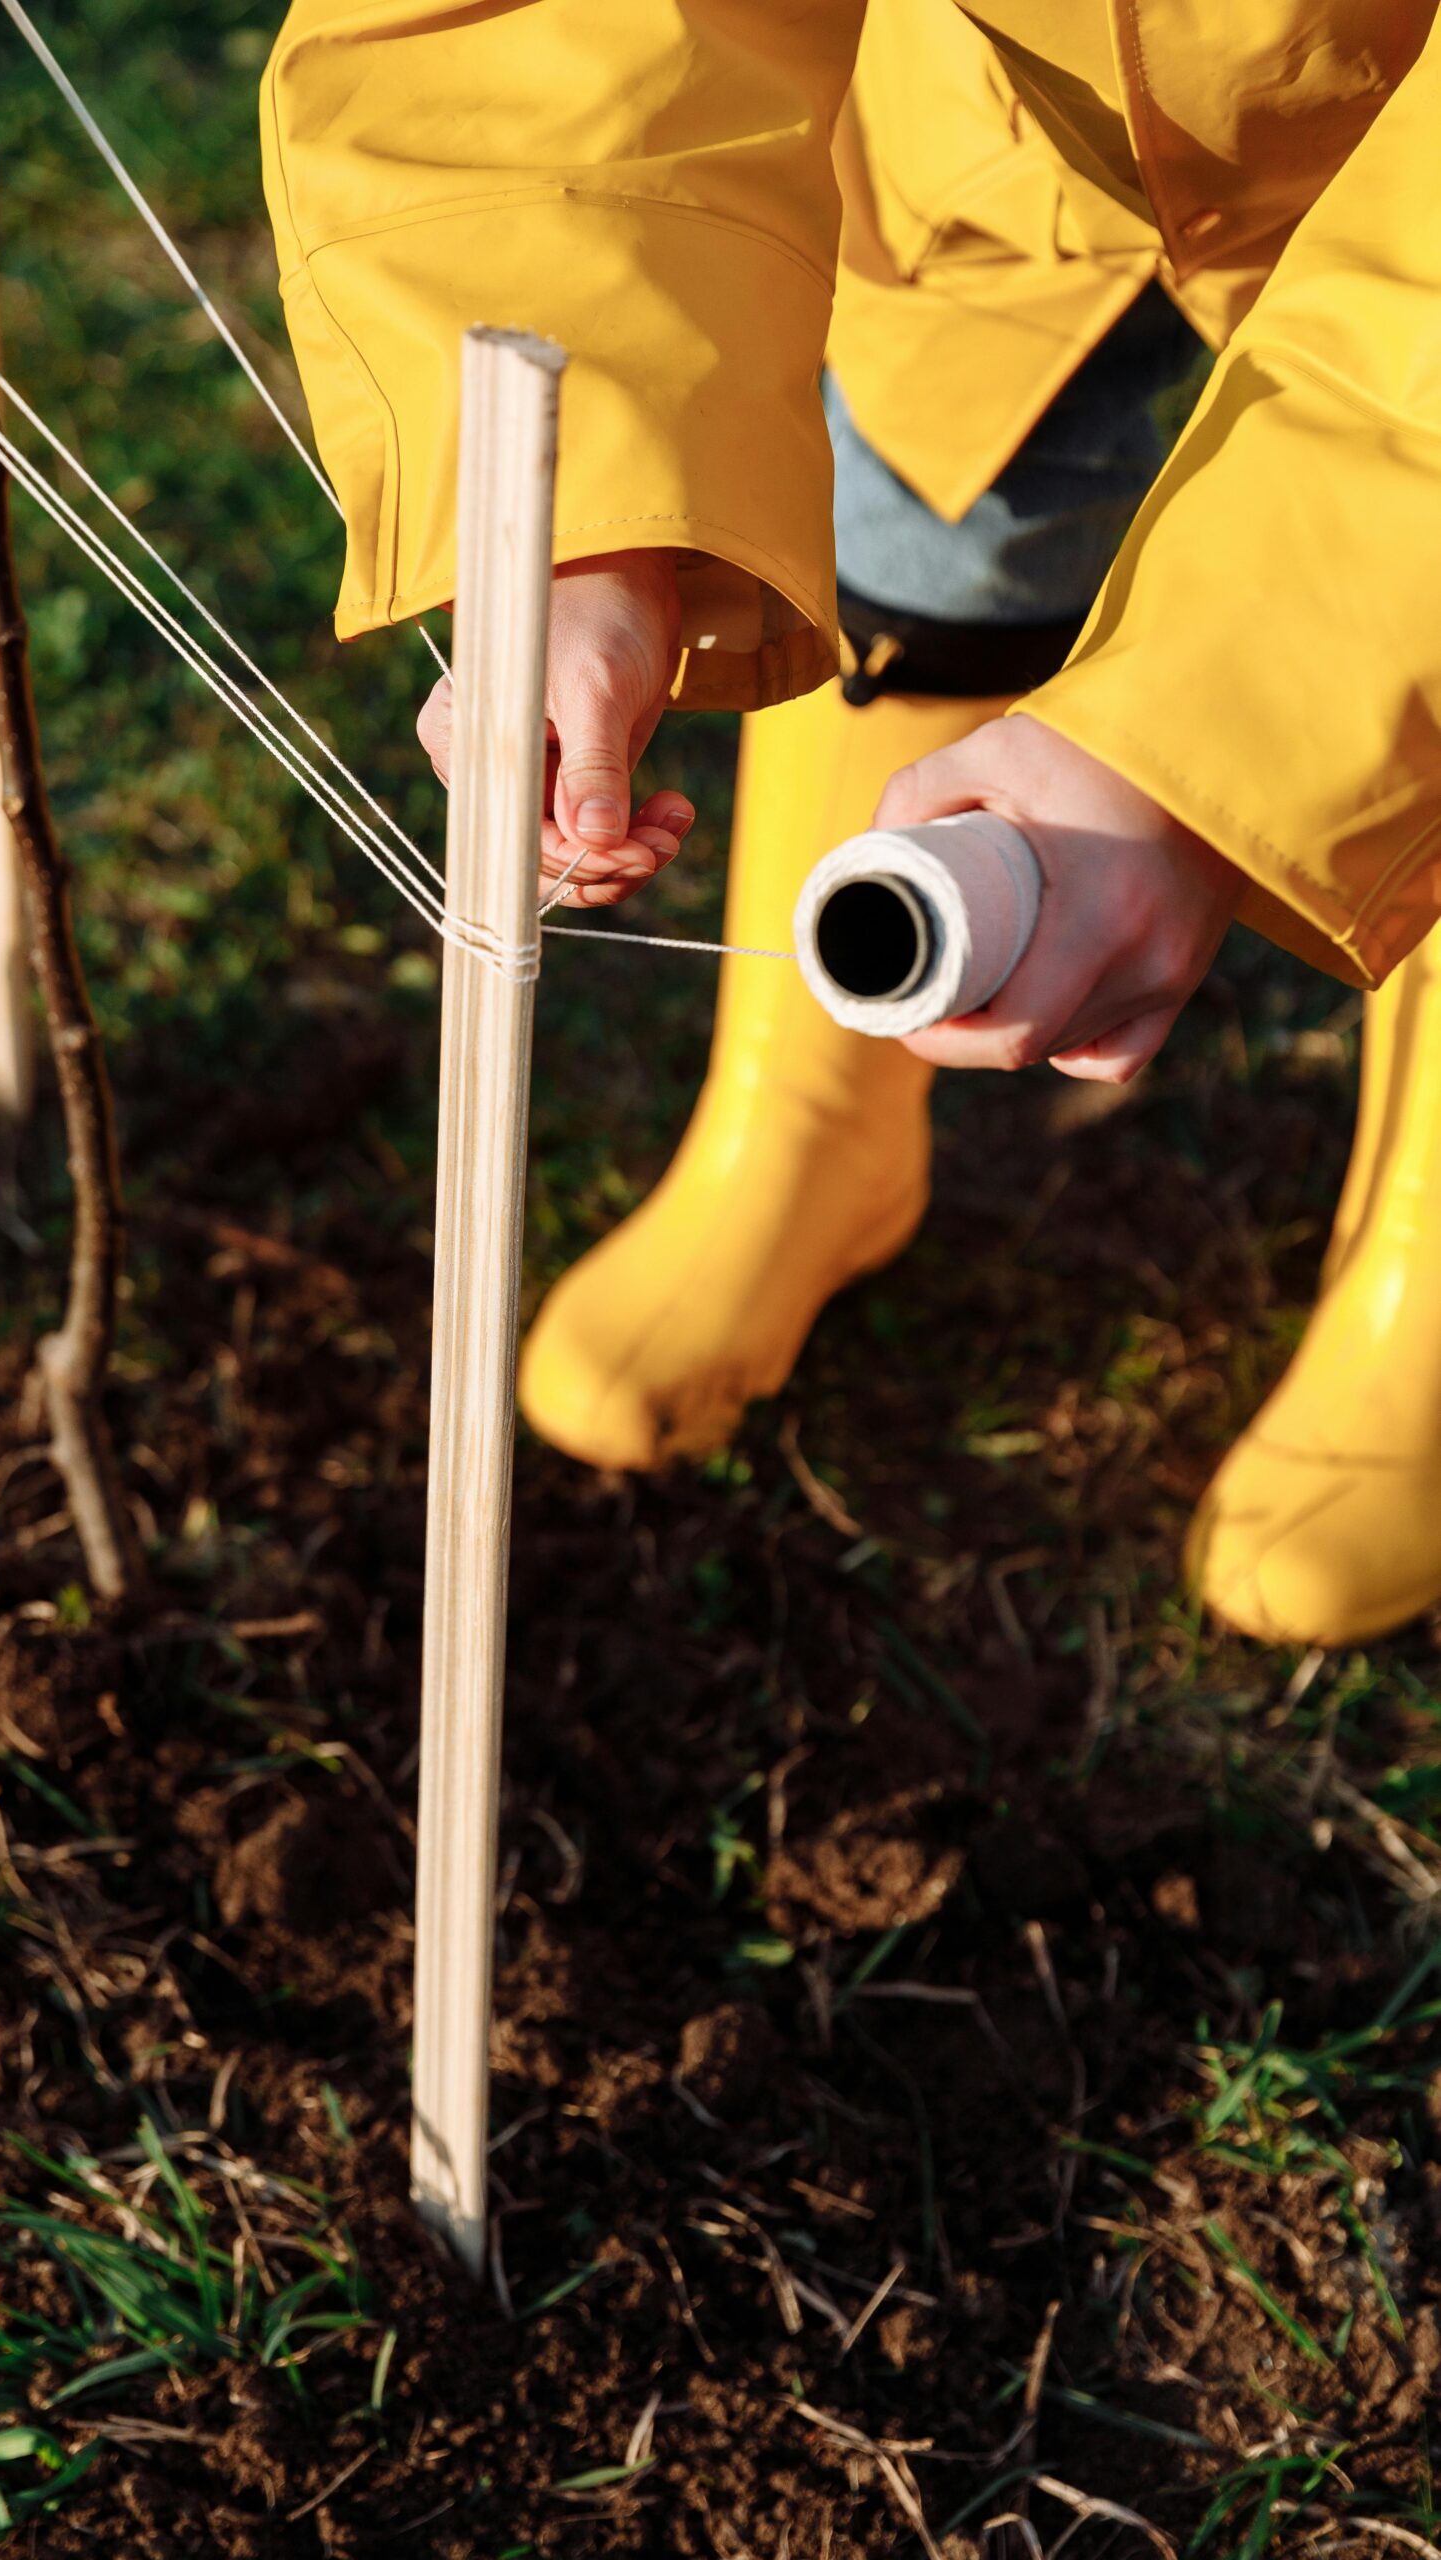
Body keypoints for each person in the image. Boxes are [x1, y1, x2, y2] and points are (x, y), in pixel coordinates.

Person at [260, 0, 1441, 1645]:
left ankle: (1425, 1282)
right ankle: (811, 1132)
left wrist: (1230, 727)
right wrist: (583, 495)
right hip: (1012, 132)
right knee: (934, 520)